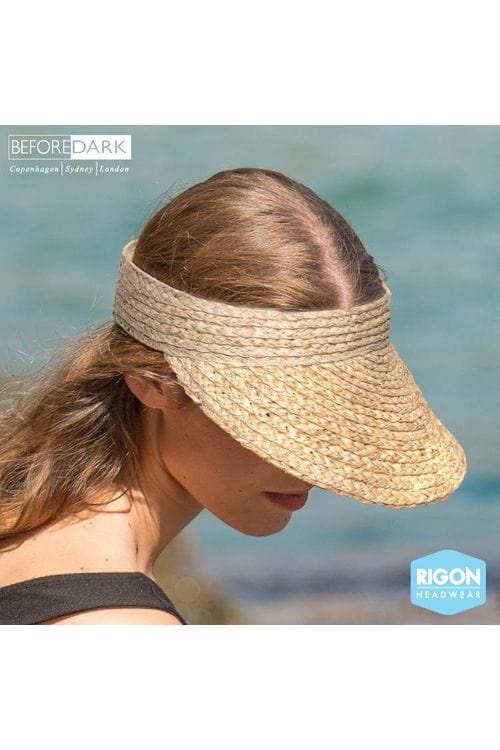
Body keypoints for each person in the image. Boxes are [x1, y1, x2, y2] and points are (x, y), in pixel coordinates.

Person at [0, 167, 467, 625]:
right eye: (276, 415)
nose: (313, 463)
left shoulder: (33, 529)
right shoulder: (118, 623)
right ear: (150, 380)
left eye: (332, 417)